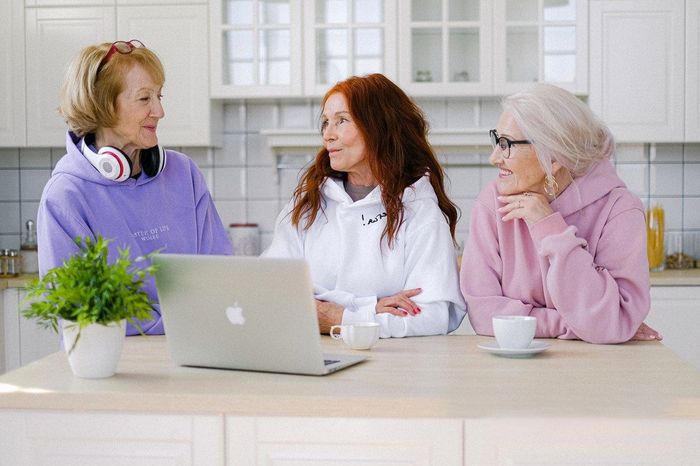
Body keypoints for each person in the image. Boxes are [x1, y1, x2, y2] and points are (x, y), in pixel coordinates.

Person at [38, 40, 232, 335]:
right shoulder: (65, 196)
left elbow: (220, 273)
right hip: (116, 364)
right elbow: (78, 310)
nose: (160, 111)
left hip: (197, 350)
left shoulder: (183, 173)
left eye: (159, 96)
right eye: (144, 99)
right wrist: (180, 321)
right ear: (102, 106)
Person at [264, 73, 466, 338]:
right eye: (326, 123)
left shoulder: (421, 212)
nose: (328, 135)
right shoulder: (307, 204)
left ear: (378, 127)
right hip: (312, 358)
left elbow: (433, 317)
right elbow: (270, 289)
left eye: (342, 121)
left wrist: (337, 316)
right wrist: (371, 307)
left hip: (390, 368)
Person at [460, 83, 661, 344]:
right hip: (513, 368)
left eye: (506, 143)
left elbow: (614, 320)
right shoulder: (493, 202)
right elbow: (484, 314)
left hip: (599, 369)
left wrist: (549, 228)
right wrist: (575, 325)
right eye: (496, 140)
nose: (494, 157)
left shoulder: (619, 210)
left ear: (553, 158)